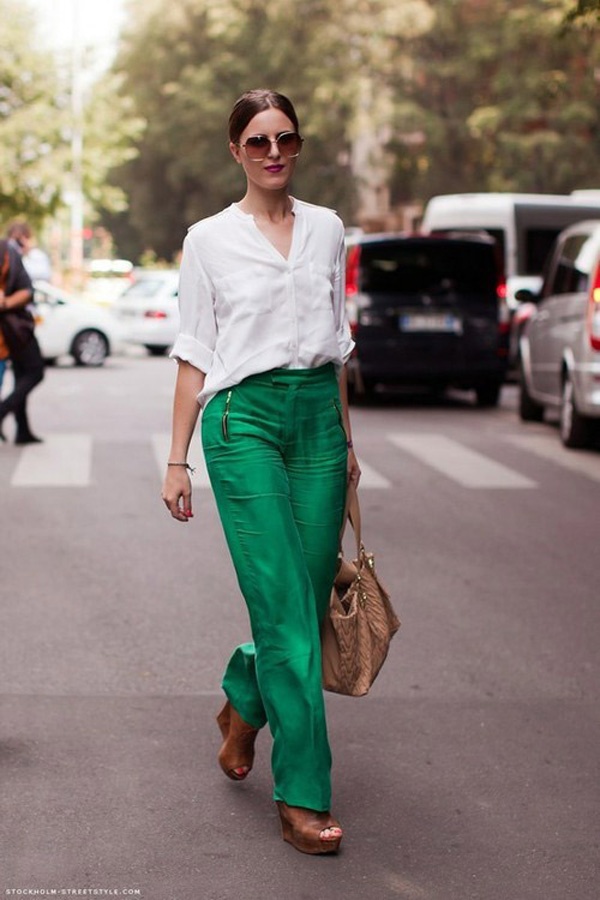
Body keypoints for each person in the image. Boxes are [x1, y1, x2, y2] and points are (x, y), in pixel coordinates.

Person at [161, 89, 361, 855]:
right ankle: (304, 795)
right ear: (236, 150)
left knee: (302, 610)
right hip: (242, 423)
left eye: (286, 138)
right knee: (284, 612)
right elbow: (194, 352)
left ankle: (245, 698)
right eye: (257, 141)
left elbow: (336, 343)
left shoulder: (328, 229)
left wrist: (347, 444)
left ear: (297, 144)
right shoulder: (208, 240)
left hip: (316, 424)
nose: (274, 152)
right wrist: (176, 460)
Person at [0, 239, 45, 444]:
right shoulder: (9, 252)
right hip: (14, 330)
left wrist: (6, 302)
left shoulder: (10, 254)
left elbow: (27, 290)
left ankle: (22, 430)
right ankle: (3, 412)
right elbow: (27, 290)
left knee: (23, 375)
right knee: (34, 372)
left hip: (13, 330)